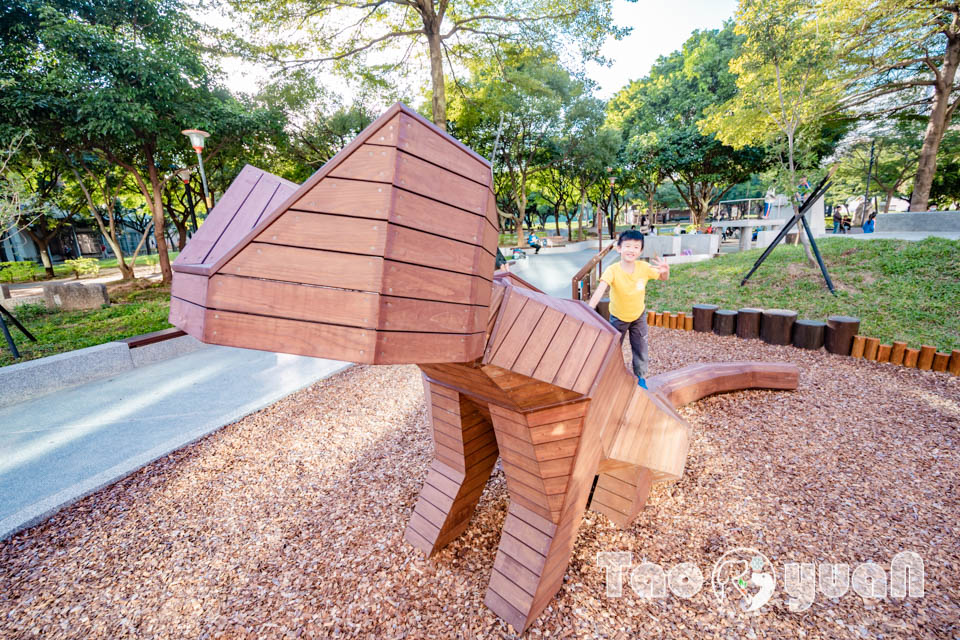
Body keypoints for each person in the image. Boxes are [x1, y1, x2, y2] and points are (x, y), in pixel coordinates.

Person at [587, 230, 669, 389]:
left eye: (636, 247)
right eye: (628, 246)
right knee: (613, 348)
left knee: (640, 347)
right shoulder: (612, 270)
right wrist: (589, 309)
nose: (631, 250)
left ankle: (640, 377)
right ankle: (608, 375)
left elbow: (663, 278)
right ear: (619, 248)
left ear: (641, 251)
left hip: (638, 316)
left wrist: (666, 271)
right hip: (618, 317)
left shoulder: (644, 267)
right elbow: (600, 288)